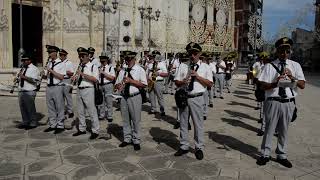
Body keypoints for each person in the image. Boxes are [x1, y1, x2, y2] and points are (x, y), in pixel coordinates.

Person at [256, 37, 305, 168]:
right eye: (281, 51)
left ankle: (281, 154)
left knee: (284, 130)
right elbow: (262, 86)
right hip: (273, 101)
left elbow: (302, 85)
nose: (284, 54)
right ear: (277, 51)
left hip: (288, 102)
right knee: (269, 129)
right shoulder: (269, 66)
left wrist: (292, 77)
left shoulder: (295, 65)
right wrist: (275, 82)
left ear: (290, 51)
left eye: (287, 51)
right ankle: (265, 154)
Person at [174, 42, 213, 160]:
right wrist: (184, 81)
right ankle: (184, 145)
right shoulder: (183, 66)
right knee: (184, 123)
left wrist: (198, 77)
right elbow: (176, 82)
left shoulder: (205, 67)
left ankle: (199, 147)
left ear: (199, 54)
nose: (192, 55)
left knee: (198, 124)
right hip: (185, 97)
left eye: (195, 53)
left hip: (197, 98)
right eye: (190, 53)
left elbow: (210, 84)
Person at [115, 51, 147, 151]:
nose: (127, 61)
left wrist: (131, 81)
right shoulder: (122, 71)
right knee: (125, 119)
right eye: (126, 59)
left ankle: (136, 140)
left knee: (135, 119)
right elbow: (116, 84)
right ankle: (127, 138)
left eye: (129, 59)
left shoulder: (139, 70)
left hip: (135, 96)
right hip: (124, 97)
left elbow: (144, 84)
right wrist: (118, 86)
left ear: (134, 59)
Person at [72, 47, 100, 140]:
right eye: (79, 56)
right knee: (80, 110)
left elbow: (95, 80)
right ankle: (82, 128)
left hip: (89, 89)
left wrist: (83, 74)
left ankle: (95, 130)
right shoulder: (79, 66)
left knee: (92, 111)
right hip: (79, 89)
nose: (80, 58)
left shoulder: (93, 66)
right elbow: (76, 77)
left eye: (82, 56)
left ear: (87, 56)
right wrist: (74, 78)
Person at [16, 53, 40, 130]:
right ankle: (25, 122)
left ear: (29, 60)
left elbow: (34, 80)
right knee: (22, 107)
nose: (23, 62)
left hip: (29, 91)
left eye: (25, 60)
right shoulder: (23, 68)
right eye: (22, 60)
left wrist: (23, 77)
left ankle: (33, 122)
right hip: (22, 90)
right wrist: (18, 79)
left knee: (30, 108)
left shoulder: (34, 69)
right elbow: (21, 78)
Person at [147, 50, 168, 116]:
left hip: (158, 82)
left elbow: (166, 74)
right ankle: (153, 109)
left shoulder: (161, 64)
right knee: (151, 96)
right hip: (151, 81)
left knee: (160, 96)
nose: (154, 57)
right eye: (153, 56)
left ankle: (162, 110)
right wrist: (148, 78)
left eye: (155, 56)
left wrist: (159, 73)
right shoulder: (150, 64)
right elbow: (147, 72)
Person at [255, 52, 271, 136]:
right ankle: (263, 128)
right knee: (264, 108)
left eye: (265, 59)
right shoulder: (258, 64)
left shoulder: (270, 67)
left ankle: (274, 129)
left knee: (271, 112)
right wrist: (255, 76)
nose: (263, 60)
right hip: (262, 86)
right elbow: (255, 72)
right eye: (262, 58)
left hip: (271, 89)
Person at [98, 53, 116, 122]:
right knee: (101, 101)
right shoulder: (99, 68)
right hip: (100, 85)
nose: (102, 63)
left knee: (109, 101)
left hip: (108, 85)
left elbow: (112, 78)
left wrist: (103, 73)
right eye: (101, 61)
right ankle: (101, 115)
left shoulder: (110, 68)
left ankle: (110, 116)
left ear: (106, 61)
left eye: (103, 61)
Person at [59, 49, 75, 118]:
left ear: (65, 56)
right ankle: (62, 111)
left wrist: (64, 71)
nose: (61, 57)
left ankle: (70, 111)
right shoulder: (58, 63)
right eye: (60, 55)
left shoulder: (69, 63)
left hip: (66, 80)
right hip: (60, 80)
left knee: (68, 96)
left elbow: (71, 73)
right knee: (60, 97)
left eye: (62, 55)